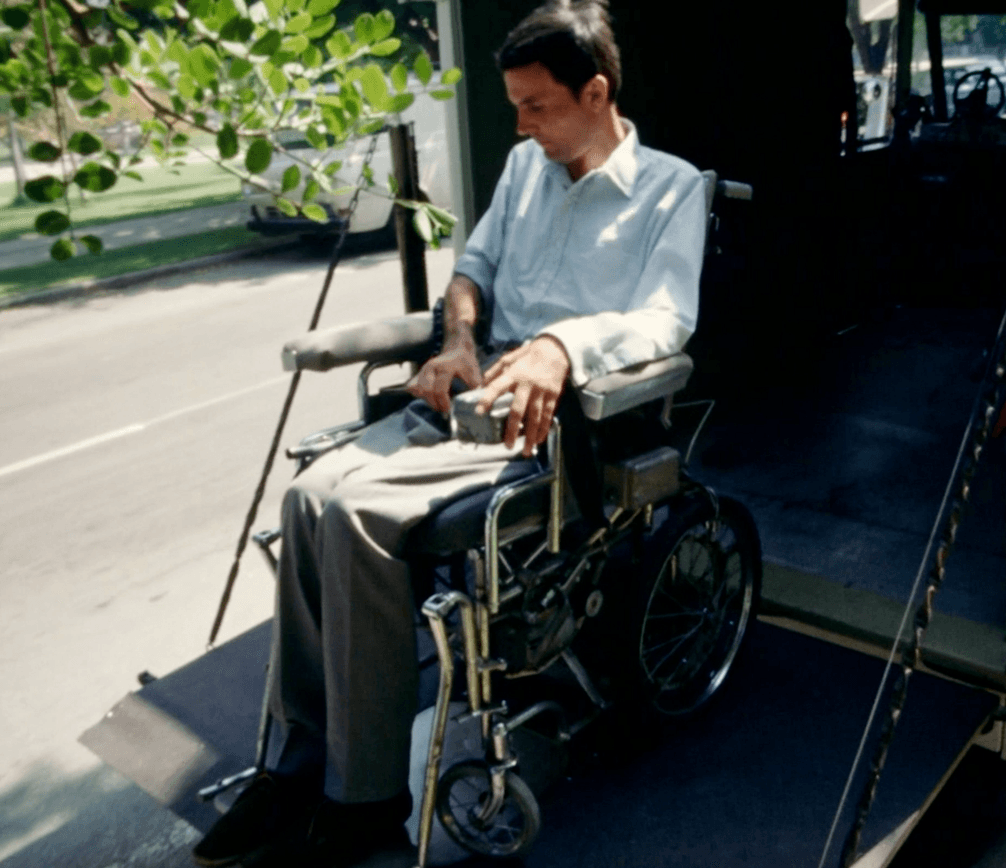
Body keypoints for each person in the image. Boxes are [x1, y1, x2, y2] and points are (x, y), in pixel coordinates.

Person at [191, 1, 707, 865]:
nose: (522, 124)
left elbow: (668, 319)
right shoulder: (523, 167)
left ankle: (362, 802)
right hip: (471, 395)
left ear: (596, 91)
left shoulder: (671, 188)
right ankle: (297, 767)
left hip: (557, 425)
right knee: (310, 494)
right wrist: (459, 337)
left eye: (537, 105)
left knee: (353, 515)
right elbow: (472, 269)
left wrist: (560, 346)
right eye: (515, 106)